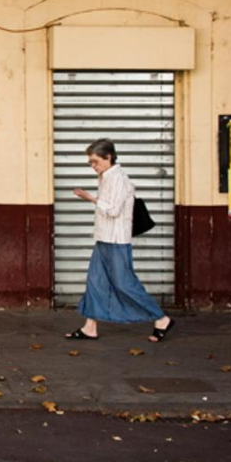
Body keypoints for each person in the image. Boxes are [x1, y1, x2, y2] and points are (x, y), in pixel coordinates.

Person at [66, 139, 175, 343]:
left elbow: (113, 210)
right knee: (95, 282)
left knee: (125, 284)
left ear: (108, 157)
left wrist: (90, 198)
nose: (92, 166)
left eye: (95, 161)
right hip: (104, 238)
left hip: (116, 241)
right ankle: (90, 327)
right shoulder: (106, 177)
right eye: (90, 162)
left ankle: (162, 319)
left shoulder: (118, 179)